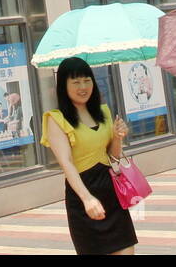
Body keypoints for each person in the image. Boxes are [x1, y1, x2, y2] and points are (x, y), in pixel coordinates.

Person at [41, 57, 136, 255]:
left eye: (87, 80)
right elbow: (66, 163)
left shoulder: (103, 112)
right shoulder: (56, 119)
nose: (83, 86)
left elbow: (113, 157)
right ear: (63, 86)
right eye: (75, 82)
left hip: (111, 191)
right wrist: (87, 199)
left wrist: (118, 137)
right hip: (83, 194)